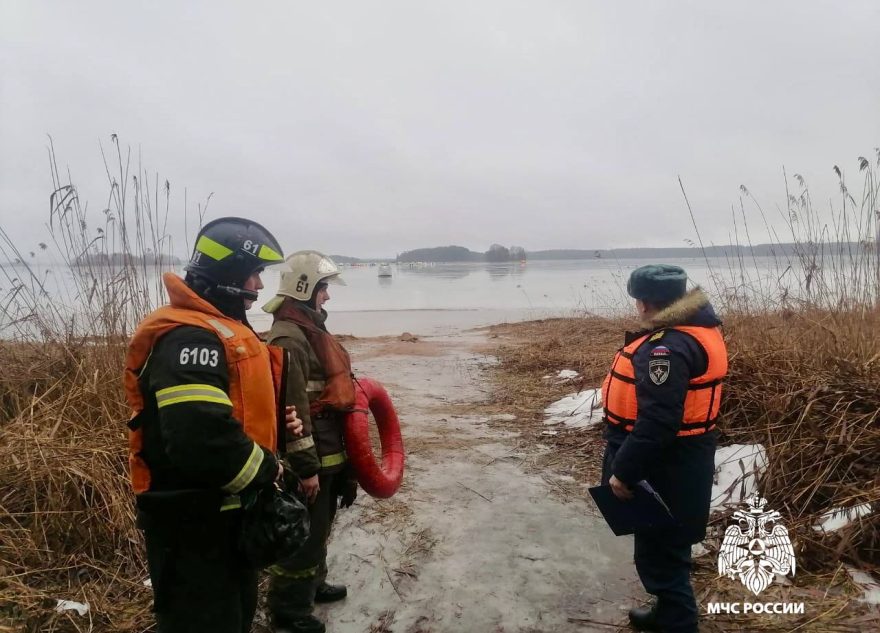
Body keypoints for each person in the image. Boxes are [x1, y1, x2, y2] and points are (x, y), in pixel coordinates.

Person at [123, 217, 304, 633]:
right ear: (230, 274)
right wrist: (269, 468)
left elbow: (229, 412)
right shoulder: (189, 340)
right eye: (255, 273)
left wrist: (276, 424)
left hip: (222, 519)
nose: (259, 285)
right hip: (193, 525)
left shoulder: (218, 332)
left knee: (235, 617)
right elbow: (199, 439)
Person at [600, 264, 728, 633]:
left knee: (660, 556)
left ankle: (679, 621)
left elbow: (658, 421)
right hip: (683, 458)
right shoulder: (697, 331)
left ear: (643, 303)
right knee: (668, 546)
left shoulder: (667, 349)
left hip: (665, 464)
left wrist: (624, 471)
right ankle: (667, 613)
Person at [262, 250, 358, 633]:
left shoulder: (309, 329)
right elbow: (291, 407)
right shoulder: (289, 337)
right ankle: (288, 610)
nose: (328, 298)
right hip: (311, 452)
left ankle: (314, 586)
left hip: (329, 446)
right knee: (305, 535)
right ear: (305, 290)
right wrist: (305, 470)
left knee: (321, 527)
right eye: (323, 290)